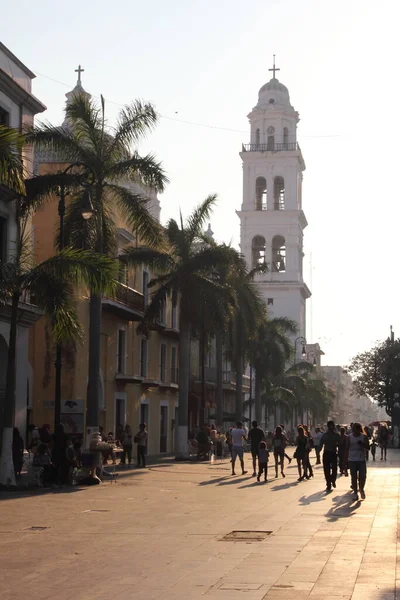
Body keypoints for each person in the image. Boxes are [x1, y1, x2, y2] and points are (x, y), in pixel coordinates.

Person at [346, 422, 369, 501]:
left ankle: (361, 489)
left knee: (363, 476)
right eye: (354, 429)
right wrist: (345, 461)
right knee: (354, 477)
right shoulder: (349, 437)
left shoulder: (364, 437)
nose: (355, 431)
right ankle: (355, 492)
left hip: (361, 460)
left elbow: (368, 447)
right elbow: (346, 448)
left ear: (360, 429)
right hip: (352, 460)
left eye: (357, 429)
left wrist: (362, 444)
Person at [319, 420, 341, 492]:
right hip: (326, 453)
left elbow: (340, 443)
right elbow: (321, 444)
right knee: (326, 469)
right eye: (332, 425)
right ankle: (328, 482)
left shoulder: (336, 435)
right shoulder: (324, 435)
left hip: (333, 453)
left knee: (334, 469)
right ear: (329, 426)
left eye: (333, 425)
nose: (333, 427)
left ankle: (333, 480)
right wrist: (318, 451)